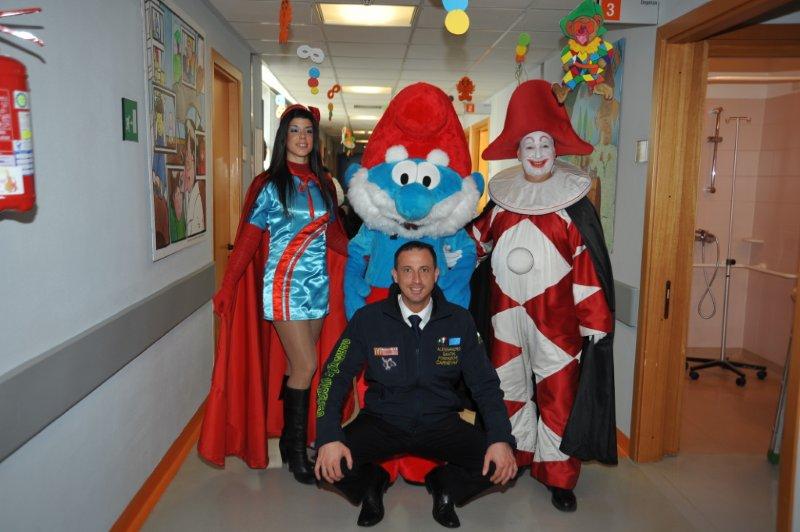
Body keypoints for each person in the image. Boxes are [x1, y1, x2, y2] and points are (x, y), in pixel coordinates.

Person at [470, 80, 616, 512]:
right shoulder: (500, 205)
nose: (537, 152)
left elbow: (588, 268)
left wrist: (595, 322)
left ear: (557, 149)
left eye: (545, 143)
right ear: (517, 152)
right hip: (504, 319)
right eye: (528, 144)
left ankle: (558, 475)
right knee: (507, 390)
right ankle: (512, 459)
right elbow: (474, 244)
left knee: (559, 398)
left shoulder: (574, 208)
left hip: (558, 322)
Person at [315, 241, 517, 528]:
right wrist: (328, 436)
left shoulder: (459, 321)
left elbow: (485, 384)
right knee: (324, 462)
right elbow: (333, 377)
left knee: (504, 460)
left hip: (441, 422)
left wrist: (499, 437)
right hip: (383, 421)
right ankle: (372, 483)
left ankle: (444, 484)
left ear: (436, 273)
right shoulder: (368, 319)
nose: (416, 280)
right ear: (394, 275)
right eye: (407, 270)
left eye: (424, 270)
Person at [198, 104, 348, 483]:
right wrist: (228, 286)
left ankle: (289, 440)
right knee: (306, 366)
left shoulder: (324, 185)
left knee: (299, 366)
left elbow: (335, 238)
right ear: (284, 137)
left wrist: (370, 253)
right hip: (283, 288)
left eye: (308, 131)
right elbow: (248, 241)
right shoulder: (268, 185)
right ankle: (296, 455)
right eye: (295, 130)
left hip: (318, 289)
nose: (302, 138)